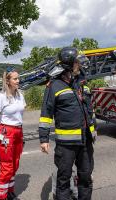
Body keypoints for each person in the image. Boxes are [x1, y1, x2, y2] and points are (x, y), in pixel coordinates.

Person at [39, 47, 93, 200]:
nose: (80, 65)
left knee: (86, 178)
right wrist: (43, 139)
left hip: (85, 140)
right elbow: (46, 113)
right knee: (63, 180)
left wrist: (93, 128)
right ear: (69, 65)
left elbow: (89, 108)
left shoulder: (81, 81)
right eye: (77, 62)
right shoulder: (54, 85)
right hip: (66, 144)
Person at [0, 67, 26, 200]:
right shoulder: (1, 97)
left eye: (18, 78)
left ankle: (10, 192)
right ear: (8, 81)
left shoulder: (20, 95)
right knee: (7, 167)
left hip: (18, 131)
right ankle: (2, 196)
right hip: (6, 132)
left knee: (15, 164)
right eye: (15, 78)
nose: (18, 81)